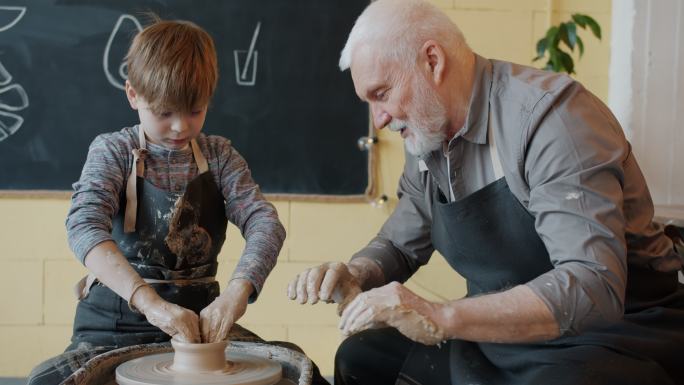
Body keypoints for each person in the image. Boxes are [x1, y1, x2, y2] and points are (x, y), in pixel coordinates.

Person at [287, 1, 684, 384]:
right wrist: (356, 272)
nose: (380, 118)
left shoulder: (552, 119)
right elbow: (401, 244)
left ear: (432, 61)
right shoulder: (427, 132)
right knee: (361, 358)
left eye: (382, 93)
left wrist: (439, 316)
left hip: (610, 335)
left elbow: (592, 286)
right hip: (499, 337)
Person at [27, 18, 327, 385]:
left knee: (301, 374)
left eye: (195, 110)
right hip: (115, 323)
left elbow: (265, 223)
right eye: (164, 112)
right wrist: (151, 305)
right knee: (45, 381)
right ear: (133, 94)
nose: (180, 127)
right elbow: (84, 226)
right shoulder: (113, 151)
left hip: (199, 325)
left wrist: (236, 293)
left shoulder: (219, 156)